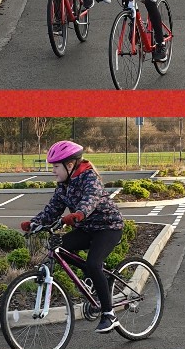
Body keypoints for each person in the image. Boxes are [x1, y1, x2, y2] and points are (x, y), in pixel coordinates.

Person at [21, 141, 124, 334]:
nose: (53, 171)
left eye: (56, 166)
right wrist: (34, 223)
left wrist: (79, 214)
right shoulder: (63, 185)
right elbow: (53, 209)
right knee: (60, 248)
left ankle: (109, 314)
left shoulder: (89, 177)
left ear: (70, 165)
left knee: (94, 263)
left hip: (108, 227)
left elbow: (90, 199)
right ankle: (94, 277)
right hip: (86, 228)